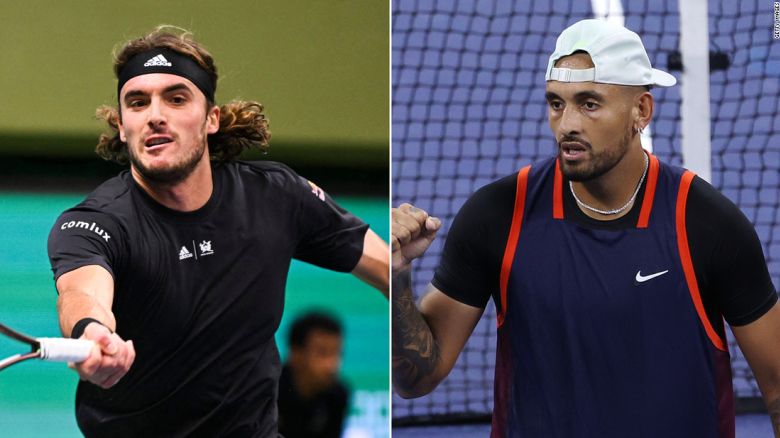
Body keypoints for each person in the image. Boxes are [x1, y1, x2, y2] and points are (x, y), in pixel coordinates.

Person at [392, 19, 780, 437]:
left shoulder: (706, 224)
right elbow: (415, 378)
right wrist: (396, 277)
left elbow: (777, 389)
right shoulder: (497, 215)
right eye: (556, 103)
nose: (567, 125)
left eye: (589, 103)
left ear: (641, 111)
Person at [47, 26, 388, 437]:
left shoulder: (277, 196)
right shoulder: (94, 223)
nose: (155, 114)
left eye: (176, 98)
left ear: (212, 118)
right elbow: (81, 294)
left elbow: (390, 270)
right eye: (138, 103)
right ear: (122, 126)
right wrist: (94, 332)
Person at [277, 311, 349, 438]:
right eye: (322, 353)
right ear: (295, 353)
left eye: (337, 353)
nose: (332, 365)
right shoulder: (268, 391)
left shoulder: (338, 395)